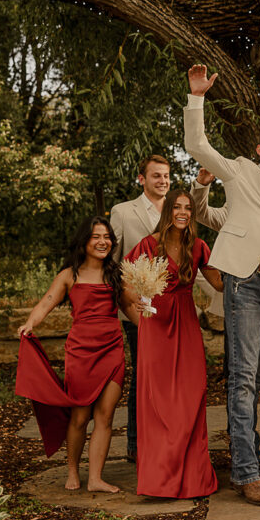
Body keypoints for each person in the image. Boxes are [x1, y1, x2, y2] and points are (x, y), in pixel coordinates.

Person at [185, 64, 260, 507]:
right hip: (243, 283)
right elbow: (196, 144)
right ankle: (246, 472)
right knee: (244, 378)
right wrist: (198, 97)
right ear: (259, 149)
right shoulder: (238, 172)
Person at [15, 217, 139, 492]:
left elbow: (130, 307)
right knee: (80, 417)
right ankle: (73, 470)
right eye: (96, 236)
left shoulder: (116, 274)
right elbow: (47, 301)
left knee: (106, 417)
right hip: (81, 352)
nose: (102, 241)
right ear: (84, 241)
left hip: (112, 350)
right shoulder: (69, 275)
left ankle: (95, 478)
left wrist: (152, 332)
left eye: (106, 236)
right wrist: (30, 323)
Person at [124, 190, 224, 499]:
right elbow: (125, 282)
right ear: (168, 210)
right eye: (177, 207)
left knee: (191, 396)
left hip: (186, 325)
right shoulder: (147, 245)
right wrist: (136, 301)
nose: (183, 212)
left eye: (188, 208)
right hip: (155, 325)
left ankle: (192, 478)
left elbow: (220, 282)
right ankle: (160, 480)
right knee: (158, 402)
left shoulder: (198, 246)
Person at [110, 154, 171, 463]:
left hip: (172, 310)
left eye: (166, 176)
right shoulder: (123, 212)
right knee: (144, 375)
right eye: (156, 176)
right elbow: (114, 260)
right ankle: (136, 445)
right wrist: (126, 302)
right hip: (138, 309)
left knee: (168, 378)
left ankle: (165, 440)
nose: (162, 181)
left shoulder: (176, 212)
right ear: (142, 179)